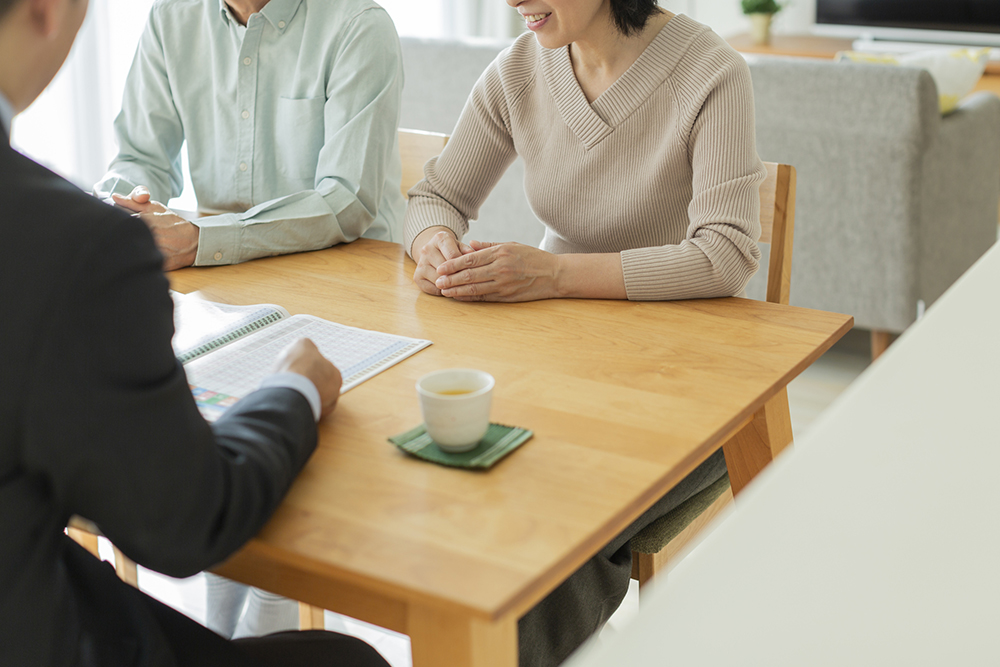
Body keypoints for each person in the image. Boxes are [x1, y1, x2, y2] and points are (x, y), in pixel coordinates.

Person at [0, 0, 390, 664]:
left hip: (348, 305)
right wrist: (293, 390)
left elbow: (347, 199)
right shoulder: (70, 248)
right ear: (48, 9)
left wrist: (191, 235)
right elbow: (183, 521)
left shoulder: (357, 22)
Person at [403, 1, 765, 665]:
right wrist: (434, 241)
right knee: (465, 503)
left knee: (556, 526)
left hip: (692, 376)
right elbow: (436, 195)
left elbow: (727, 255)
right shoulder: (518, 70)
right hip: (556, 363)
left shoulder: (710, 70)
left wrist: (555, 275)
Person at [94, 0, 406, 272]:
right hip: (222, 270)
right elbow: (142, 157)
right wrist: (109, 214)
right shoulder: (170, 17)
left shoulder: (359, 26)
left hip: (352, 270)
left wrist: (202, 239)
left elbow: (345, 201)